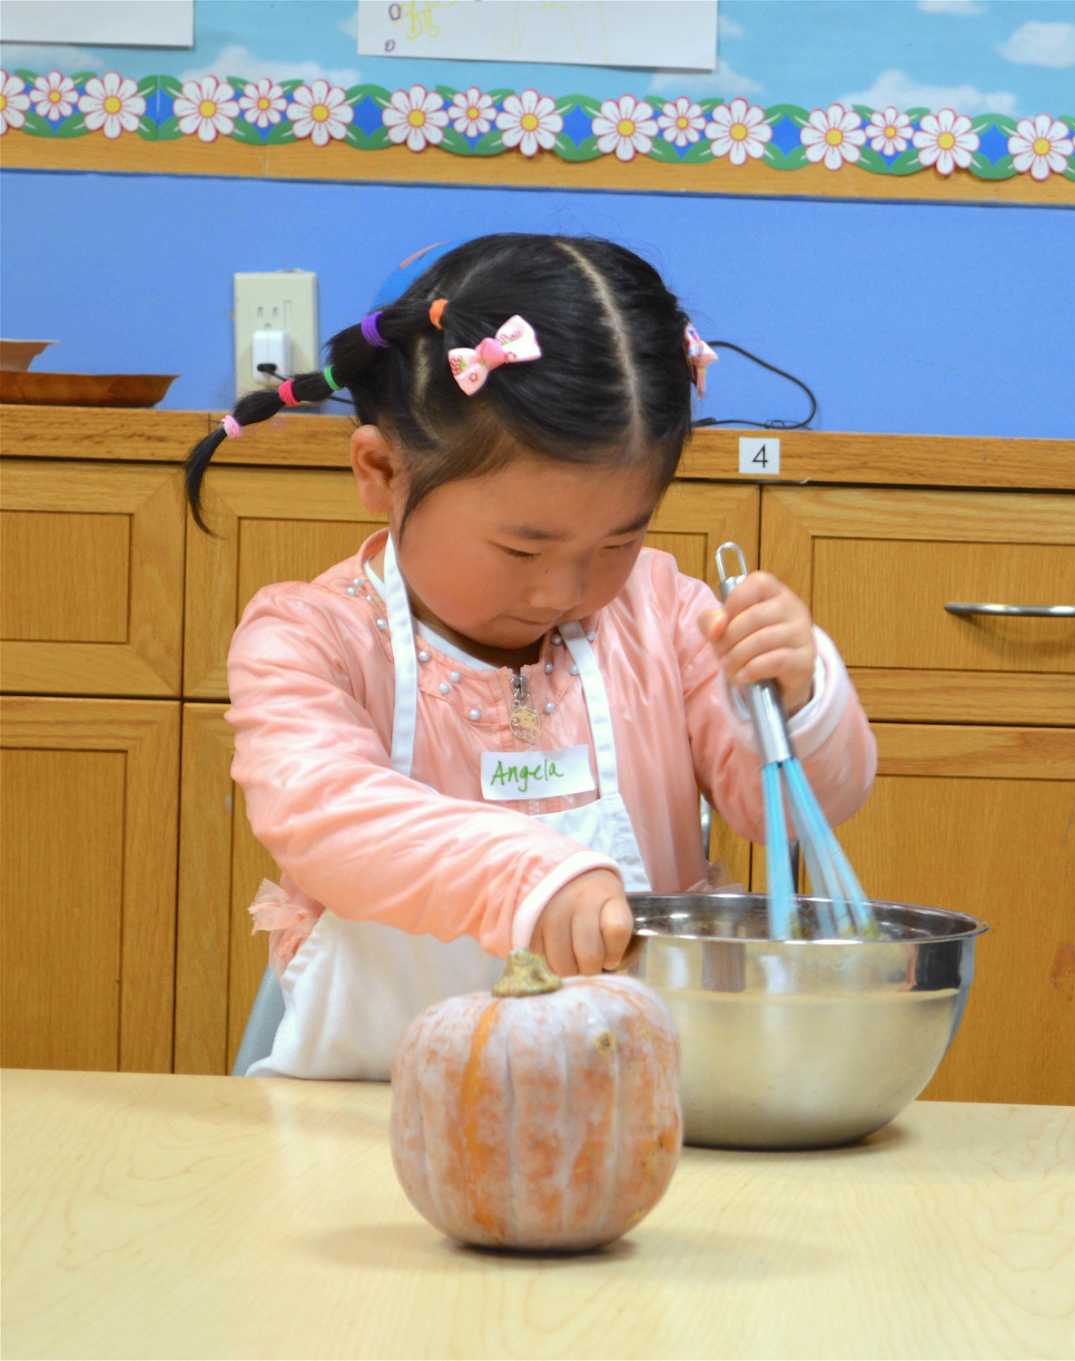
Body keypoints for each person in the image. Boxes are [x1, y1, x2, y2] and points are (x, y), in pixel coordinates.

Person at [183, 233, 875, 1079]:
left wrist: (798, 699)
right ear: (381, 471)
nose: (565, 589)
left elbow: (802, 812)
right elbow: (329, 818)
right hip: (371, 1121)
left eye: (620, 540)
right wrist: (531, 878)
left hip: (633, 1115)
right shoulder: (309, 641)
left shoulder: (666, 617)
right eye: (522, 549)